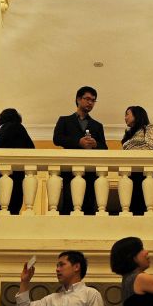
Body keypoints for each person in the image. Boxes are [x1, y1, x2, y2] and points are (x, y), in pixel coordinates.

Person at [52, 86, 107, 215]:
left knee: (90, 203)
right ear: (78, 99)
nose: (90, 103)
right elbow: (57, 139)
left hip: (91, 171)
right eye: (87, 99)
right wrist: (78, 142)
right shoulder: (64, 120)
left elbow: (104, 147)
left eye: (93, 100)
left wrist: (95, 144)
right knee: (68, 201)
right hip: (70, 169)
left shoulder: (97, 125)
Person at [0, 108, 35, 215]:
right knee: (13, 208)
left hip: (0, 177)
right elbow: (31, 148)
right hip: (15, 176)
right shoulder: (16, 127)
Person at [121, 106, 153, 215]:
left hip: (144, 170)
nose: (125, 117)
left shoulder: (149, 128)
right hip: (130, 171)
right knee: (130, 203)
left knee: (142, 202)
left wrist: (133, 154)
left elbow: (151, 145)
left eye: (127, 114)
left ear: (137, 115)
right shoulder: (128, 133)